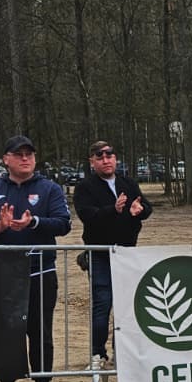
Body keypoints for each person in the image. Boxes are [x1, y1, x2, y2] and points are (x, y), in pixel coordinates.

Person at [0, 135, 71, 382]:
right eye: (19, 154)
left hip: (41, 271)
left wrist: (34, 222)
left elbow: (63, 224)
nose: (25, 158)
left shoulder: (49, 189)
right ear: (6, 159)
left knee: (41, 333)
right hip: (4, 275)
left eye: (30, 154)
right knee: (7, 333)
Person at [72, 140, 153, 364]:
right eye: (100, 157)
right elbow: (87, 215)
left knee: (125, 306)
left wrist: (139, 210)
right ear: (92, 162)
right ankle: (98, 353)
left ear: (116, 159)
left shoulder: (128, 183)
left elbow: (147, 208)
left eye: (110, 156)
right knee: (102, 303)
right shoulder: (85, 187)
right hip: (100, 253)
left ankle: (122, 352)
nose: (106, 160)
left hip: (126, 254)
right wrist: (113, 209)